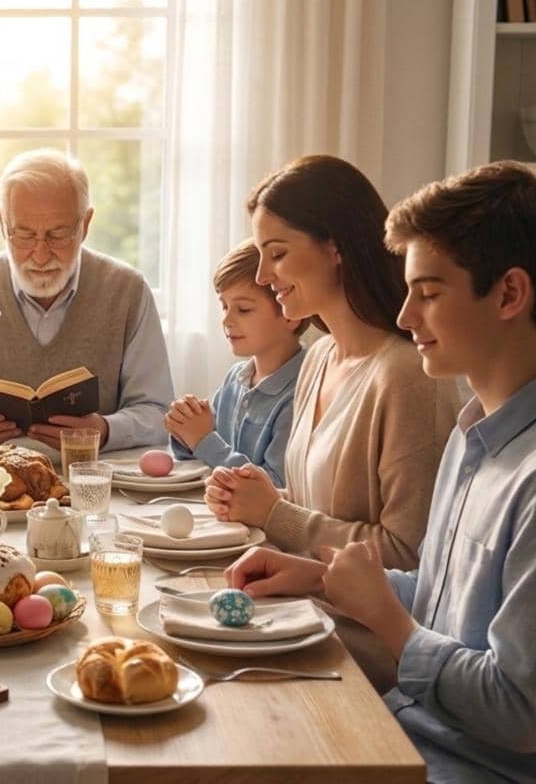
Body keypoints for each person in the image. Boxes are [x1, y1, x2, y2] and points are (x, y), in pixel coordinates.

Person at [225, 160, 536, 784]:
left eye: (429, 293)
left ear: (508, 294)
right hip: (406, 726)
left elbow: (519, 711)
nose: (405, 317)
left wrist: (388, 620)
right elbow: (437, 600)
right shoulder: (472, 437)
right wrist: (319, 576)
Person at [204, 155, 461, 570]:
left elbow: (410, 556)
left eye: (277, 254)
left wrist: (274, 514)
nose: (264, 276)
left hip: (354, 630)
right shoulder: (320, 357)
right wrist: (252, 500)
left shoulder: (408, 375)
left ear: (335, 246)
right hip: (295, 605)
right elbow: (316, 510)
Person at [0, 148, 173, 453]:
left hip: (94, 482)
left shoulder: (128, 291)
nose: (41, 254)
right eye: (24, 234)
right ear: (1, 223)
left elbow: (158, 411)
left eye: (58, 234)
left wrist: (105, 429)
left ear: (85, 224)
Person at [167, 239, 307, 486]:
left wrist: (202, 439)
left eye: (243, 309)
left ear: (289, 314)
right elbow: (207, 455)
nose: (226, 320)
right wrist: (185, 430)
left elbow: (276, 485)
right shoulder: (236, 378)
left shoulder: (302, 391)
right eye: (224, 306)